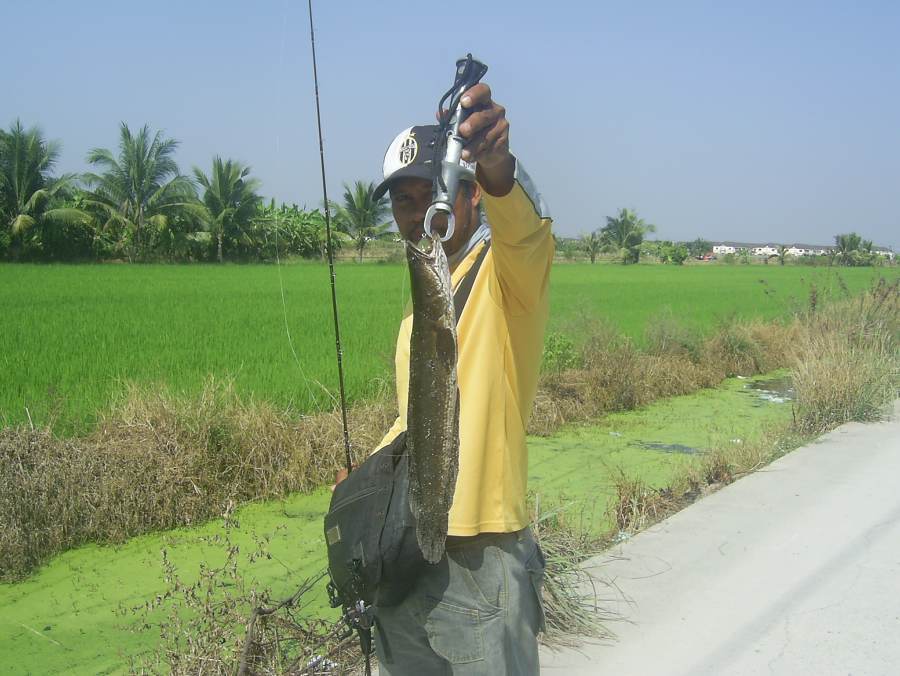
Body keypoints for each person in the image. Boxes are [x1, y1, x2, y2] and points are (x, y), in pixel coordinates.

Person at [341, 82, 554, 675]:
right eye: (402, 201)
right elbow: (419, 411)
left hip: (481, 560)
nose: (416, 214)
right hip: (406, 552)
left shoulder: (509, 278)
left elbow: (526, 232)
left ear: (471, 198)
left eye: (430, 195)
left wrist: (496, 165)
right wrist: (370, 476)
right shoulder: (423, 298)